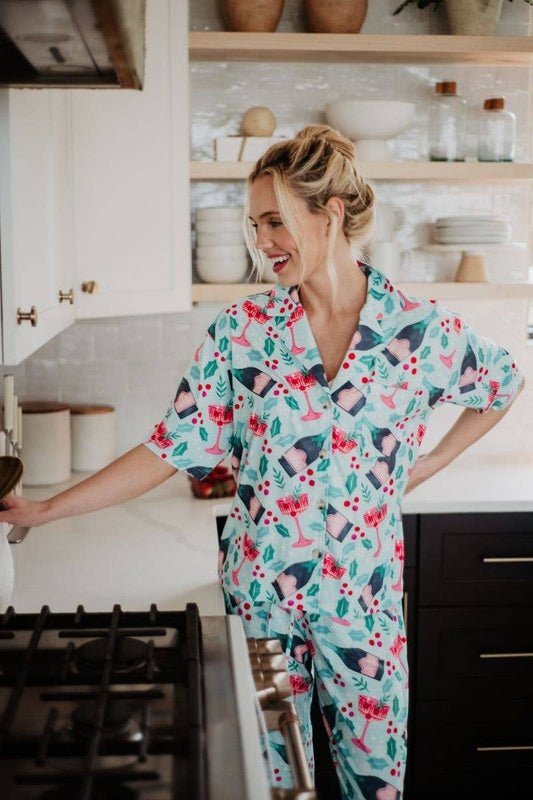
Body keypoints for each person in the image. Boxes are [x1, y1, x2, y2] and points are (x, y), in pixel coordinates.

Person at [0, 125, 524, 800]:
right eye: (254, 225)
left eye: (275, 221)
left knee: (377, 785)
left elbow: (502, 383)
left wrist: (429, 463)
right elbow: (168, 447)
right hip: (261, 604)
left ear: (330, 213)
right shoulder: (242, 332)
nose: (262, 242)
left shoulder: (420, 331)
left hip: (365, 605)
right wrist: (44, 510)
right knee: (270, 783)